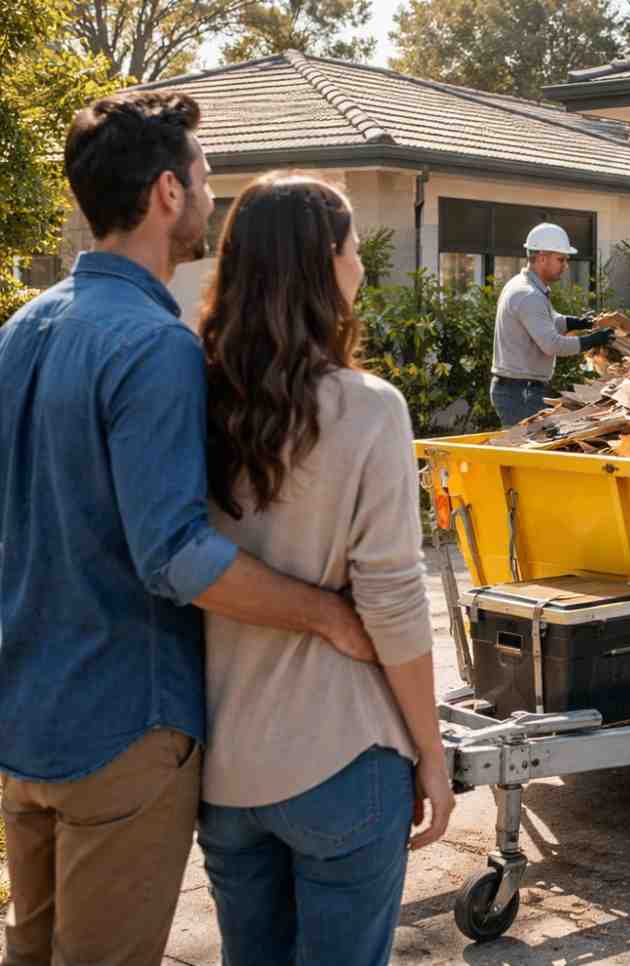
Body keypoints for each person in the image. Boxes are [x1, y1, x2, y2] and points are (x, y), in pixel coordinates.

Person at [0, 92, 375, 966]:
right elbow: (177, 557)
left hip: (26, 721)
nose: (212, 200)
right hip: (124, 730)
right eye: (206, 179)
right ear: (167, 193)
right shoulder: (154, 344)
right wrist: (329, 615)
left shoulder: (19, 331)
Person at [194, 172, 454, 966]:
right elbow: (393, 600)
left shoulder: (188, 394)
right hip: (343, 756)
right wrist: (433, 752)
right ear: (323, 268)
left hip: (223, 771)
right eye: (351, 252)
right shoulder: (369, 407)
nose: (361, 269)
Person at [490, 222, 613, 425]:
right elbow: (552, 344)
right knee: (530, 455)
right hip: (520, 393)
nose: (565, 266)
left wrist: (579, 323)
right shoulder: (528, 295)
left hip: (519, 390)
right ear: (541, 258)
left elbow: (551, 321)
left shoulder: (527, 287)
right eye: (561, 259)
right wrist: (593, 340)